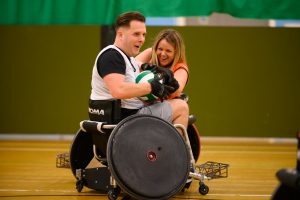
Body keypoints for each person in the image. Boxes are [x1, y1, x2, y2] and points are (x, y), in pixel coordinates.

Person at [89, 11, 186, 127]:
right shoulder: (112, 56)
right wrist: (151, 87)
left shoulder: (126, 58)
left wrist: (156, 70)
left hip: (126, 115)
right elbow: (118, 90)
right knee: (182, 107)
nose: (141, 39)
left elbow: (138, 65)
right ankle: (177, 145)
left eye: (143, 34)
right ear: (120, 35)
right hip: (127, 118)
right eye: (136, 34)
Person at [136, 29, 189, 128]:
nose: (163, 54)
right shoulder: (151, 52)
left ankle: (177, 142)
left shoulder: (181, 68)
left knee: (182, 106)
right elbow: (131, 66)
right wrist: (145, 66)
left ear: (176, 52)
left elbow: (176, 92)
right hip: (139, 105)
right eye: (160, 49)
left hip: (158, 107)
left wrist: (164, 79)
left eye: (168, 51)